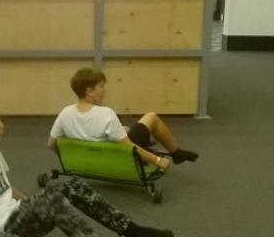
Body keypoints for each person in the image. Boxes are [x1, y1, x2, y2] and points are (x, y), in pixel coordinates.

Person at [0, 98, 174, 237]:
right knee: (52, 200)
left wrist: (34, 202)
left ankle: (130, 230)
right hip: (2, 228)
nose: (1, 125)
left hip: (17, 213)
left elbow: (6, 189)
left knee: (72, 185)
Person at [48, 67, 199, 170]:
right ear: (89, 91)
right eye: (101, 86)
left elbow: (51, 144)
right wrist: (158, 161)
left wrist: (73, 156)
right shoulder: (106, 114)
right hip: (115, 159)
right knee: (151, 117)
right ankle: (176, 153)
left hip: (88, 160)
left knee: (126, 129)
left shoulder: (65, 113)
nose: (104, 90)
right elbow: (129, 147)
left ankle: (173, 152)